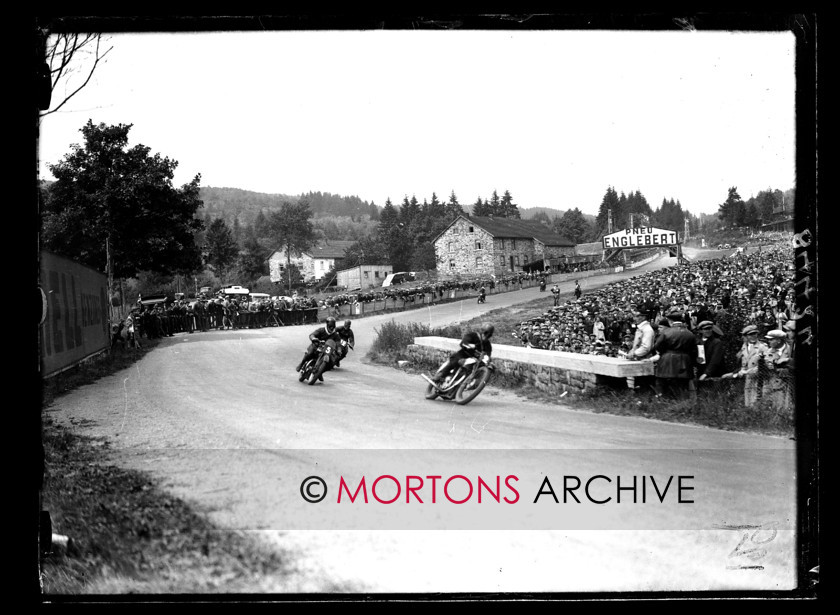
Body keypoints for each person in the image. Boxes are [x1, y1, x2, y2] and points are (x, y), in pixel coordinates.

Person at [652, 307, 698, 399]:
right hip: (685, 362)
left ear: (670, 321)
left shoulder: (666, 332)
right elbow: (694, 351)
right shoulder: (690, 333)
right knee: (682, 387)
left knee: (665, 386)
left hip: (667, 361)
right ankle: (681, 403)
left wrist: (663, 353)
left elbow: (657, 346)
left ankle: (665, 402)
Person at [722, 324, 768, 407]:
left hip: (759, 379)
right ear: (745, 336)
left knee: (757, 402)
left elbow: (765, 365)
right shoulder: (744, 347)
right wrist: (736, 373)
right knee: (748, 402)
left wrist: (746, 372)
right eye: (750, 334)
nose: (753, 336)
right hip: (748, 380)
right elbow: (744, 365)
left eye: (755, 334)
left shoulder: (762, 347)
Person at [295, 316, 342, 380]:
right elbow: (312, 335)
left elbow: (338, 343)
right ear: (327, 325)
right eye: (330, 327)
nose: (331, 329)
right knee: (309, 353)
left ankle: (320, 372)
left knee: (331, 363)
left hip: (327, 351)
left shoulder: (335, 335)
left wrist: (339, 350)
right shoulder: (321, 330)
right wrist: (313, 338)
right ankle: (302, 364)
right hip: (317, 346)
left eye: (333, 327)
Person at [761, 329, 792, 411]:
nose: (769, 341)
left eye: (771, 339)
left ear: (778, 340)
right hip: (771, 384)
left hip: (788, 384)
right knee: (768, 408)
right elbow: (768, 365)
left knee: (785, 408)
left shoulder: (791, 350)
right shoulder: (768, 351)